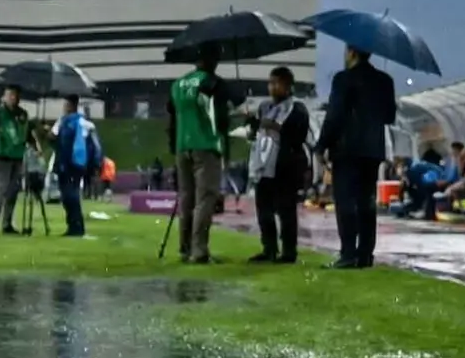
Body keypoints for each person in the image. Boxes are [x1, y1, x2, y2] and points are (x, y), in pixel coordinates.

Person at [316, 46, 396, 269]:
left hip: (346, 148)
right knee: (366, 202)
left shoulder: (343, 79)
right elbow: (390, 116)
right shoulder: (385, 80)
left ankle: (348, 253)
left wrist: (321, 145)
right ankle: (365, 255)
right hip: (372, 150)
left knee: (346, 201)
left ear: (351, 52)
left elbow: (334, 114)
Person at [168, 51, 232, 263]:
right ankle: (199, 250)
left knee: (187, 198)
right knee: (205, 199)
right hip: (206, 144)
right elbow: (221, 119)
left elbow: (172, 116)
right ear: (213, 62)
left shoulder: (178, 84)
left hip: (182, 145)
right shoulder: (214, 82)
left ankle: (185, 248)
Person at [244, 66, 309, 262]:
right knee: (263, 210)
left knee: (286, 210)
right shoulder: (265, 107)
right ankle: (269, 248)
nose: (272, 87)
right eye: (270, 83)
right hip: (263, 165)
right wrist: (253, 124)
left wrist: (270, 125)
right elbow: (257, 134)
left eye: (276, 83)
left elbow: (297, 135)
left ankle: (289, 251)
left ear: (288, 86)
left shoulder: (297, 108)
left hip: (285, 166)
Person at [0, 84, 30, 235]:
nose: (12, 98)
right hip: (2, 157)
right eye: (9, 95)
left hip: (18, 157)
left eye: (14, 95)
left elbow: (27, 133)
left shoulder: (23, 114)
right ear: (4, 97)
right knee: (1, 190)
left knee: (13, 191)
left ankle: (7, 224)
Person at [52, 94, 100, 237]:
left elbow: (54, 139)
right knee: (71, 195)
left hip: (66, 164)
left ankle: (75, 226)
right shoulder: (85, 123)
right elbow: (94, 146)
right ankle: (75, 226)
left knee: (69, 196)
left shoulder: (64, 121)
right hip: (78, 165)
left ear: (71, 106)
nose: (64, 108)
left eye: (66, 105)